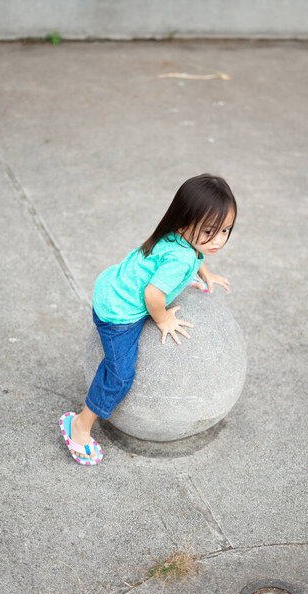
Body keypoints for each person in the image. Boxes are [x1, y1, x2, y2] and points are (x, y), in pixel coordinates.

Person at [59, 173, 237, 465]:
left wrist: (205, 273)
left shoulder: (178, 238)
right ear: (183, 222)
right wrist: (163, 318)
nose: (218, 240)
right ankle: (79, 425)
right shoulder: (178, 259)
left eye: (225, 230)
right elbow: (154, 295)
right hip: (118, 313)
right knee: (120, 375)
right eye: (209, 232)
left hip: (112, 285)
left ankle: (81, 423)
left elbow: (197, 255)